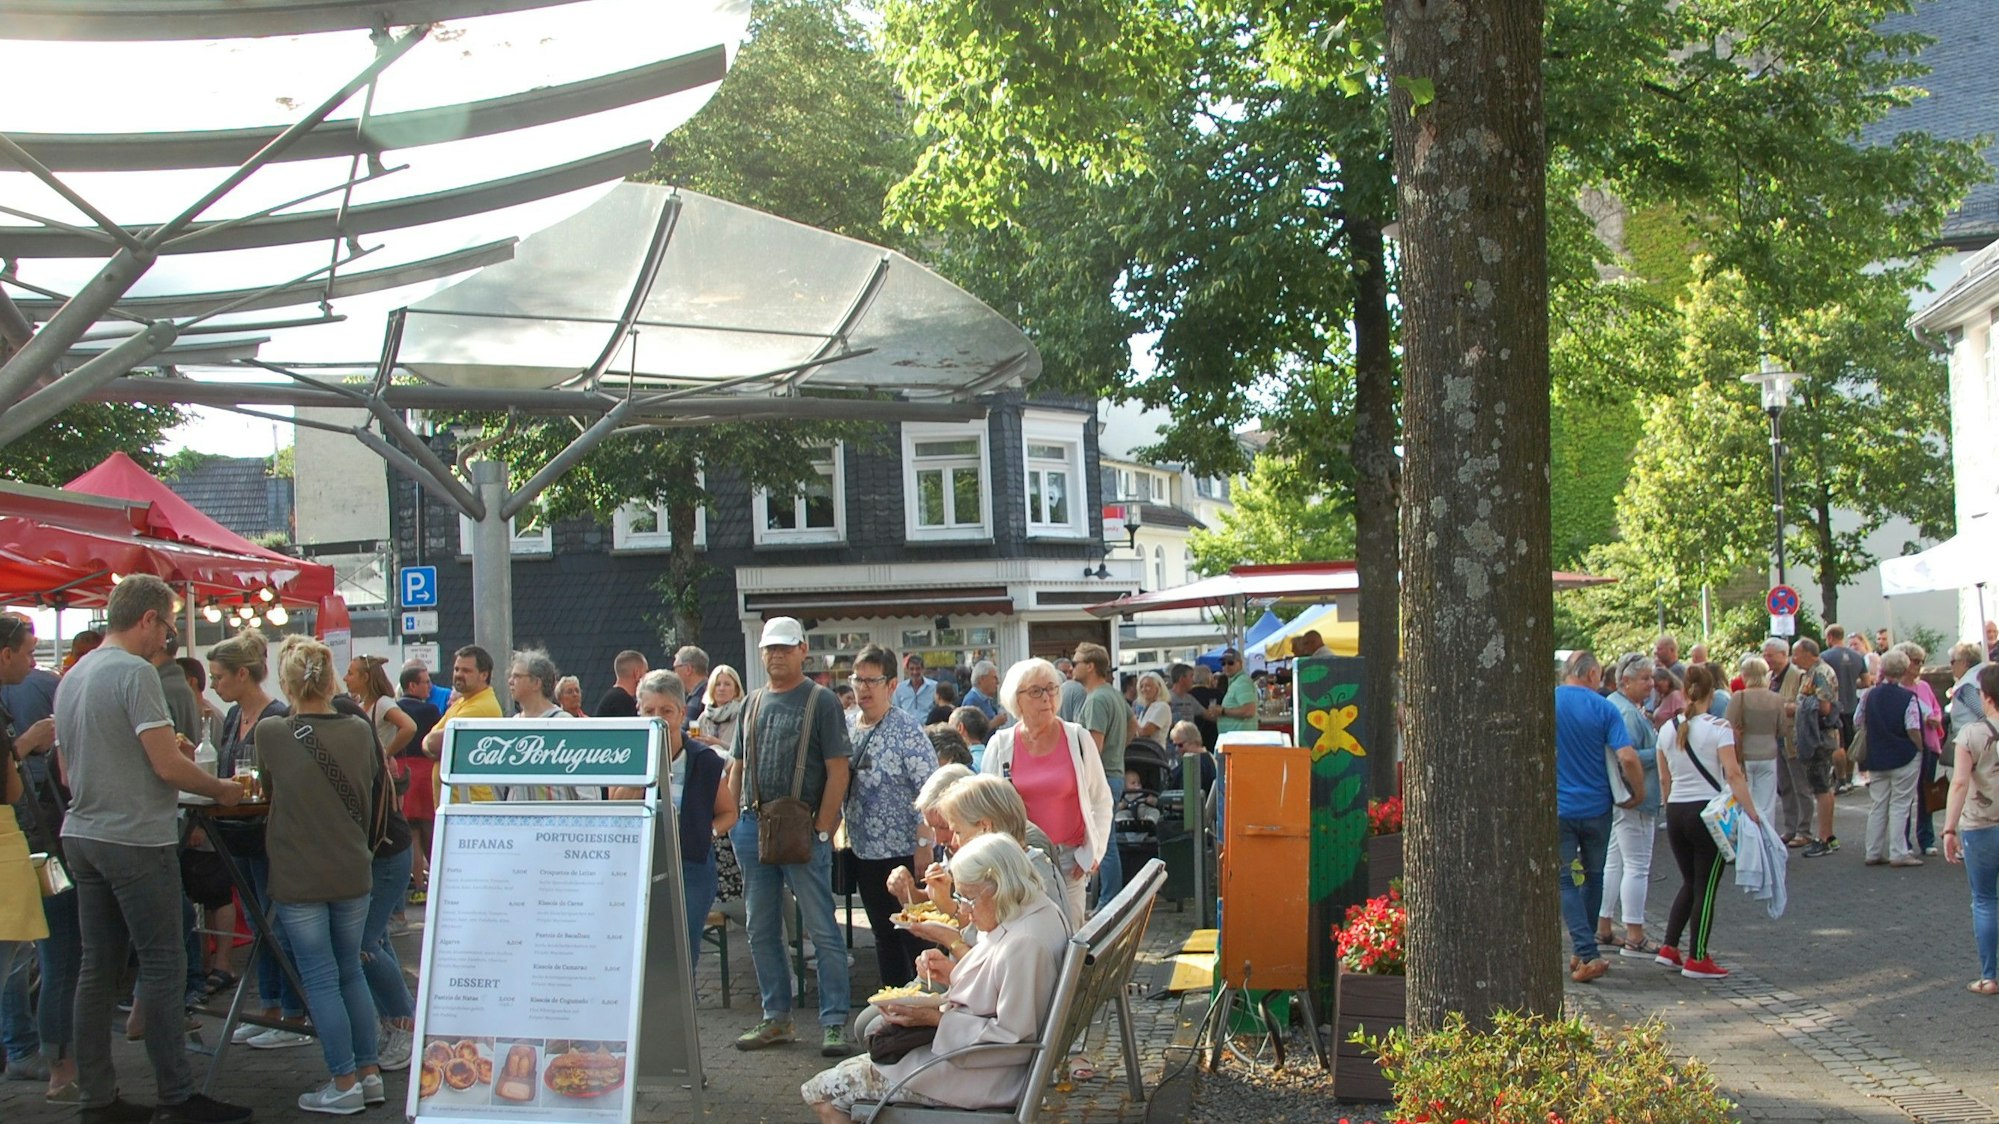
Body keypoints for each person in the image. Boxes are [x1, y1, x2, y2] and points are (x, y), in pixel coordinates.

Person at [56, 576, 250, 1124]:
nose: (167, 638)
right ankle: (176, 1095)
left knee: (97, 967)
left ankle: (97, 1096)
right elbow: (166, 767)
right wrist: (221, 789)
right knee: (165, 961)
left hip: (83, 833)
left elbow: (70, 768)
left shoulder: (75, 675)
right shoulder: (135, 672)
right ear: (147, 619)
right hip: (134, 836)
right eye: (166, 626)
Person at [801, 833, 1068, 1123]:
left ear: (998, 886)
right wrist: (953, 974)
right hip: (976, 1064)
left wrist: (935, 1019)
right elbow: (1002, 990)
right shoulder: (1033, 912)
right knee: (836, 1087)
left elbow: (1011, 1039)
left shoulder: (1025, 943)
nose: (963, 909)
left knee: (824, 1094)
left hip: (983, 1077)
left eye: (968, 897)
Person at [255, 637, 383, 1114]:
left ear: (286, 682)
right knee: (350, 970)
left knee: (320, 977)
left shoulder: (271, 732)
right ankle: (369, 1074)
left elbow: (268, 788)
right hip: (353, 867)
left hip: (298, 872)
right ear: (331, 679)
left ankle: (343, 1082)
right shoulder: (358, 729)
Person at [727, 617, 854, 1057]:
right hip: (752, 826)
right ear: (762, 653)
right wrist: (733, 823)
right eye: (770, 649)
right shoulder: (752, 702)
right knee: (760, 929)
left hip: (802, 831)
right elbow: (737, 766)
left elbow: (839, 769)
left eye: (785, 647)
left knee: (822, 928)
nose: (776, 655)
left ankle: (835, 1022)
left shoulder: (822, 702)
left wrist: (823, 827)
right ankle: (775, 1019)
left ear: (803, 649)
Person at [209, 630, 308, 1050]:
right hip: (240, 831)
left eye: (219, 676)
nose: (214, 684)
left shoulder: (276, 716)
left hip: (268, 833)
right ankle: (268, 1006)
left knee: (277, 924)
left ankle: (292, 1011)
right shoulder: (234, 716)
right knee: (258, 920)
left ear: (243, 675)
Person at [3, 613, 76, 1100]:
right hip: (18, 842)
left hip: (23, 841)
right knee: (25, 954)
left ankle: (28, 1049)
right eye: (29, 653)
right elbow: (8, 789)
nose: (34, 663)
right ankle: (30, 1051)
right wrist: (25, 746)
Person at [978, 659, 1113, 921]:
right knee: (1026, 937)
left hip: (1068, 860)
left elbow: (1101, 800)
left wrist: (1094, 852)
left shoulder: (1078, 738)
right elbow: (987, 807)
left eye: (1052, 689)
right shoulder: (1001, 745)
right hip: (1019, 862)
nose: (1047, 698)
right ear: (1016, 700)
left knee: (1069, 940)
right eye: (1036, 691)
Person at [618, 672, 734, 967]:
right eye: (649, 710)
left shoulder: (705, 760)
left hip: (690, 867)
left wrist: (706, 832)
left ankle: (684, 1009)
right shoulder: (626, 755)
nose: (658, 718)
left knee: (684, 949)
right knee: (643, 951)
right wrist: (643, 773)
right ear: (639, 711)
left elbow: (729, 812)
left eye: (666, 711)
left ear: (682, 713)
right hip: (639, 865)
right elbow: (617, 809)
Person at [843, 646, 939, 991]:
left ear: (892, 684)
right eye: (858, 680)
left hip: (904, 852)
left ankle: (927, 1002)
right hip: (864, 852)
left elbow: (930, 791)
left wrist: (924, 844)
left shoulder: (907, 730)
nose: (864, 688)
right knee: (882, 934)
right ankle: (894, 1003)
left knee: (914, 933)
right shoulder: (847, 727)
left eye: (873, 680)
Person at [1656, 665, 1760, 980]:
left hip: (1676, 811)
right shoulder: (1720, 728)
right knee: (1706, 886)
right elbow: (1733, 773)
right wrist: (1751, 811)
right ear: (1712, 693)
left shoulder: (1666, 729)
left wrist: (1669, 804)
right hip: (1707, 812)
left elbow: (1664, 778)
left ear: (1685, 691)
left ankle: (1669, 947)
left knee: (1689, 881)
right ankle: (1697, 957)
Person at [1553, 651, 1641, 984]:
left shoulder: (1549, 701)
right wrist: (1639, 794)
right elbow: (1627, 757)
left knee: (1564, 880)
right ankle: (1585, 951)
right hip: (1597, 808)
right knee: (1594, 876)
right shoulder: (1605, 708)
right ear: (1591, 674)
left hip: (1559, 807)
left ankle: (1584, 950)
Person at [1941, 663, 1999, 995]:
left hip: (1981, 825)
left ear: (1986, 697)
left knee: (1985, 900)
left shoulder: (1971, 734)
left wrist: (1949, 829)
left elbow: (1960, 782)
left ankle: (1989, 976)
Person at [1600, 655, 1662, 958]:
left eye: (1651, 678)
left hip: (1621, 795)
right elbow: (1629, 756)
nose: (1650, 685)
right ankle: (1635, 935)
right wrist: (1661, 749)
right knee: (1636, 866)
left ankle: (1604, 925)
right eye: (1645, 679)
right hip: (1634, 796)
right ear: (1626, 681)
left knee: (1616, 863)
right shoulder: (1625, 711)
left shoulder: (1617, 705)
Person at [1071, 643, 1128, 906]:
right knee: (1107, 841)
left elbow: (1093, 747)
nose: (1073, 667)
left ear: (1090, 666)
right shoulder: (1113, 694)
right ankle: (1110, 899)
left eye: (1076, 663)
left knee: (1103, 843)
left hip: (1101, 778)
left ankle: (1109, 902)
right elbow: (1134, 728)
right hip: (1113, 772)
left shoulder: (1096, 699)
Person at [1862, 647, 1925, 867]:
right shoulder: (1908, 697)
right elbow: (1913, 728)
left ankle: (1873, 850)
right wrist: (1920, 748)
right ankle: (1898, 852)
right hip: (1903, 755)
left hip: (1877, 755)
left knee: (1878, 803)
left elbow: (1858, 721)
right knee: (1900, 804)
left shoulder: (1870, 694)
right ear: (1904, 669)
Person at [423, 646, 503, 803]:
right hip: (456, 804)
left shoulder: (480, 706)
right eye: (456, 669)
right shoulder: (463, 702)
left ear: (484, 675)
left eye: (466, 671)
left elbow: (433, 743)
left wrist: (432, 746)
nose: (459, 674)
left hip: (470, 806)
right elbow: (431, 740)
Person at [1787, 639, 1842, 858]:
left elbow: (1825, 707)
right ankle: (1827, 836)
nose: (1794, 658)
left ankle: (1825, 837)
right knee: (1822, 786)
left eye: (1796, 654)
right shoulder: (1811, 672)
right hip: (1816, 737)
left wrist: (1798, 707)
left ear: (1810, 654)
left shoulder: (1820, 672)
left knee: (1821, 787)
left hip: (1819, 738)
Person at [393, 665, 442, 900]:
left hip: (403, 769)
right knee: (429, 828)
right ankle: (437, 880)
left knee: (410, 830)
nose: (429, 686)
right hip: (424, 769)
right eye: (424, 682)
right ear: (412, 685)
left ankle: (418, 886)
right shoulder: (430, 710)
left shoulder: (395, 710)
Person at [1896, 642, 1948, 855]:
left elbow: (1936, 708)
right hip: (1908, 746)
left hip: (1929, 743)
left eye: (1921, 662)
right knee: (1906, 794)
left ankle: (1926, 839)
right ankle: (1903, 841)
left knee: (1927, 791)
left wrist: (1936, 719)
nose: (1918, 666)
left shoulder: (1924, 687)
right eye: (1915, 661)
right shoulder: (1897, 689)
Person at [1727, 656, 1785, 831]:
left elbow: (1727, 725)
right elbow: (1783, 729)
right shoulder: (1776, 698)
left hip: (1744, 755)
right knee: (1767, 805)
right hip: (1769, 753)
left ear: (1745, 675)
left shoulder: (1739, 697)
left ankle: (1749, 844)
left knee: (1746, 803)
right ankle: (1768, 844)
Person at [1822, 625, 1867, 794]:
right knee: (1850, 744)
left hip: (1834, 706)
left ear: (1830, 637)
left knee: (1837, 745)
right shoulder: (1857, 656)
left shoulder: (1825, 657)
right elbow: (1866, 681)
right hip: (1852, 705)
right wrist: (1850, 683)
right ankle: (1849, 777)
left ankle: (1840, 780)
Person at [696, 664, 747, 750]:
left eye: (727, 684)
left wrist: (718, 744)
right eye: (717, 684)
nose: (722, 688)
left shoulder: (742, 715)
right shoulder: (703, 718)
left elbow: (746, 750)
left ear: (736, 690)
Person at [1214, 649, 1258, 737]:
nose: (1226, 666)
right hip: (1237, 739)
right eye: (1223, 664)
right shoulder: (1236, 682)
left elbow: (1249, 711)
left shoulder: (1242, 682)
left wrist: (1223, 711)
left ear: (1240, 663)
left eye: (1230, 663)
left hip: (1240, 740)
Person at [596, 650, 648, 719]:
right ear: (637, 673)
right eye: (646, 672)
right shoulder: (624, 702)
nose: (647, 677)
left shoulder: (612, 698)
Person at [891, 653, 937, 721]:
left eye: (918, 668)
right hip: (906, 728)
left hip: (928, 728)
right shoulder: (900, 688)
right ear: (907, 670)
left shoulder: (934, 687)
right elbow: (895, 711)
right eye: (911, 669)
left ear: (923, 669)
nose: (915, 672)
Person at [671, 646, 707, 724]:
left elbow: (684, 730)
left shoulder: (701, 697)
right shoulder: (705, 692)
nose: (674, 674)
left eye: (675, 668)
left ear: (688, 669)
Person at [948, 706, 991, 771]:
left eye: (950, 726)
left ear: (960, 727)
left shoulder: (966, 766)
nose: (947, 731)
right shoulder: (992, 757)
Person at [1133, 672, 1172, 744]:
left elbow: (1144, 732)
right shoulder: (1146, 708)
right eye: (1141, 686)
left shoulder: (1162, 707)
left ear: (1158, 688)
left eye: (1148, 686)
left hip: (1154, 753)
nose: (1144, 689)